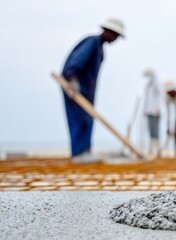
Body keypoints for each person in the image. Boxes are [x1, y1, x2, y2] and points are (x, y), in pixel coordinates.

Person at [61, 18, 125, 163]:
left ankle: (84, 151)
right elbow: (76, 62)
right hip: (76, 89)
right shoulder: (92, 42)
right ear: (109, 31)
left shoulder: (99, 48)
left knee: (87, 119)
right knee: (80, 119)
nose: (115, 39)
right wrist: (73, 81)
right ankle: (79, 153)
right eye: (115, 35)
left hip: (85, 91)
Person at [142, 69, 162, 157]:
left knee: (155, 130)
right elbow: (147, 98)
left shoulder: (157, 83)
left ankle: (157, 149)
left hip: (156, 110)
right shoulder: (148, 85)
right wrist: (145, 109)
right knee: (150, 130)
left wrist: (159, 107)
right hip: (149, 110)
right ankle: (151, 148)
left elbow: (161, 95)